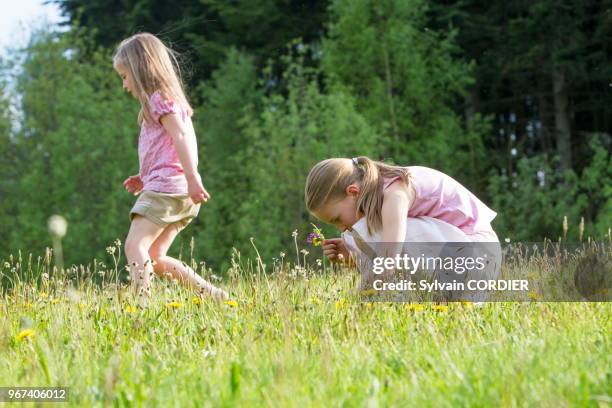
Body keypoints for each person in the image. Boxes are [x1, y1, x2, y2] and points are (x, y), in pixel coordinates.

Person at [113, 33, 228, 302]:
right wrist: (145, 177)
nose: (124, 85)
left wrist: (193, 178)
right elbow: (165, 148)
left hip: (170, 189)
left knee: (134, 246)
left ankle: (143, 304)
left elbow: (181, 137)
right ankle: (217, 297)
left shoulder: (159, 100)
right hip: (176, 190)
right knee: (155, 256)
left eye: (125, 76)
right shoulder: (166, 101)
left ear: (141, 70)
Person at [304, 156, 502, 301]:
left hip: (479, 255)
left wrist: (358, 308)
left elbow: (388, 263)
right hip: (460, 258)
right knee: (367, 233)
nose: (341, 227)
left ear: (353, 192)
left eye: (337, 219)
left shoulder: (394, 195)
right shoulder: (380, 194)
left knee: (370, 230)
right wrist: (355, 256)